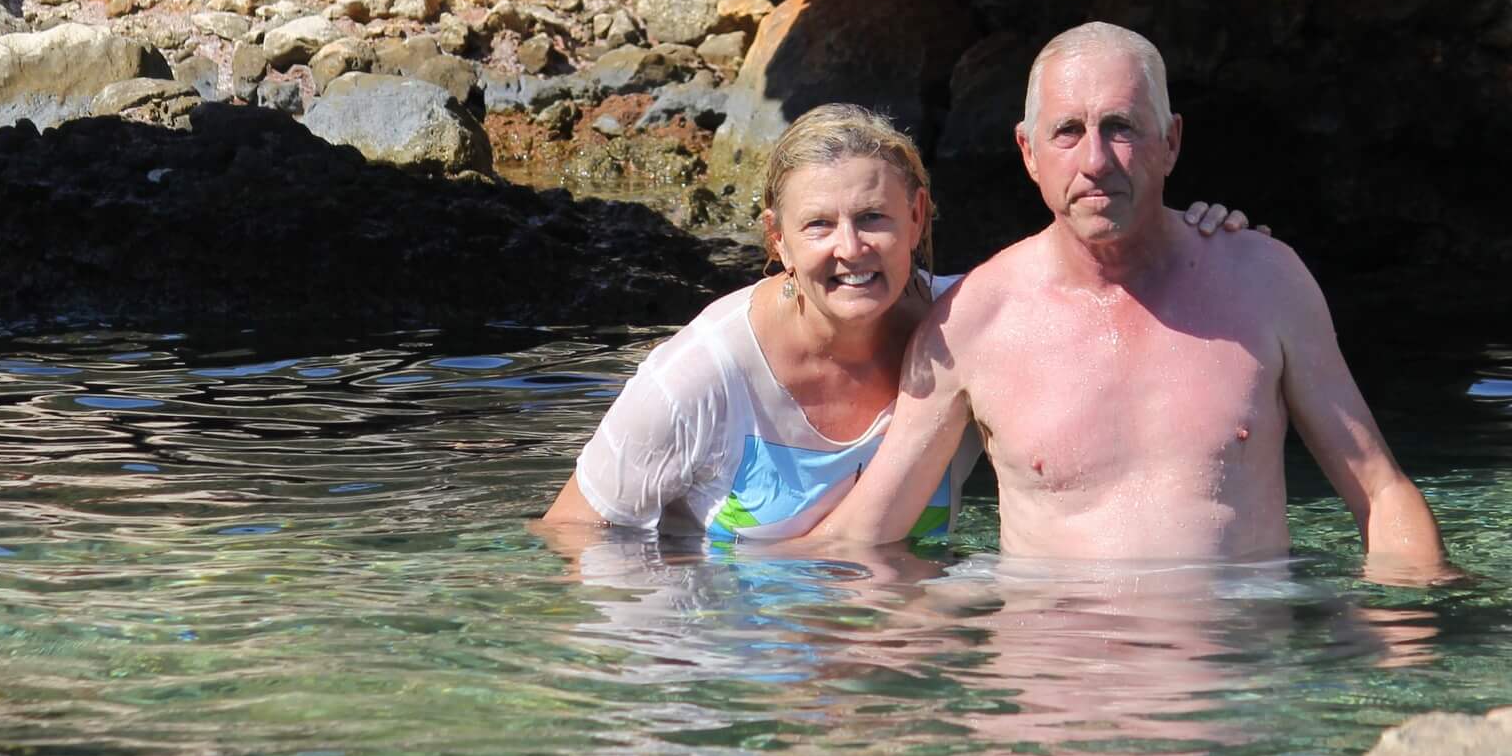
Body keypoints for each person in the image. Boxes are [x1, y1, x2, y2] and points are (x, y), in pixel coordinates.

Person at [803, 23, 1451, 578]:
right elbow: (866, 538)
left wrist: (1403, 653)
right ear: (1028, 152)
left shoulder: (1264, 282)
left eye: (1121, 128)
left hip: (1230, 690)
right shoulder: (973, 321)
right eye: (1067, 131)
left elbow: (1381, 493)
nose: (1095, 159)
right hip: (1055, 690)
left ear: (1170, 142)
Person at [538, 101, 1262, 545]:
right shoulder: (698, 378)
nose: (850, 249)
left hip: (907, 666)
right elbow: (573, 533)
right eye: (819, 225)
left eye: (875, 218)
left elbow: (1109, 302)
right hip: (739, 677)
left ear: (916, 217)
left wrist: (1191, 241)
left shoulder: (974, 328)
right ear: (777, 241)